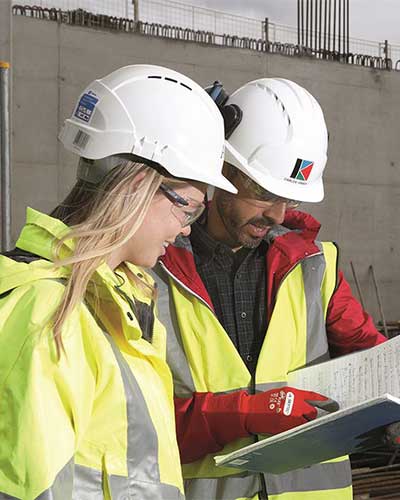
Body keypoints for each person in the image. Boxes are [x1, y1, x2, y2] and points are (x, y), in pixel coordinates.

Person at [0, 64, 237, 500]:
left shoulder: (121, 304)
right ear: (137, 186)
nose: (187, 228)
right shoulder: (51, 317)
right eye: (188, 208)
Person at [152, 78, 387, 500]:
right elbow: (131, 420)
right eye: (264, 193)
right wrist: (243, 414)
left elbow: (373, 359)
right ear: (223, 170)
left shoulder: (314, 266)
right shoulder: (154, 270)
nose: (277, 214)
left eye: (290, 199)